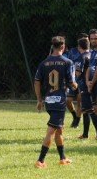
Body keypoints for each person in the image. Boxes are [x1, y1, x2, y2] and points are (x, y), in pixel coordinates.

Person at [33, 36, 77, 168]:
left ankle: (62, 158)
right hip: (60, 101)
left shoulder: (44, 63)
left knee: (59, 130)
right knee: (51, 131)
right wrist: (76, 86)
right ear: (63, 46)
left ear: (53, 46)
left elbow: (37, 82)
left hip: (49, 101)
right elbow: (71, 82)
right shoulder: (67, 62)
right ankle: (40, 160)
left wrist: (39, 100)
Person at [65, 33, 86, 127]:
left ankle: (77, 121)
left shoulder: (90, 52)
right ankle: (74, 115)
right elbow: (67, 63)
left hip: (83, 80)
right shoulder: (72, 51)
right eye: (83, 39)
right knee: (68, 100)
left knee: (80, 101)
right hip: (73, 79)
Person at [75, 37, 93, 139]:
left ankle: (85, 134)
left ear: (79, 47)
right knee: (94, 108)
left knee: (87, 110)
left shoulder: (81, 57)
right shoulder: (92, 55)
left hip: (84, 85)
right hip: (93, 83)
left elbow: (78, 73)